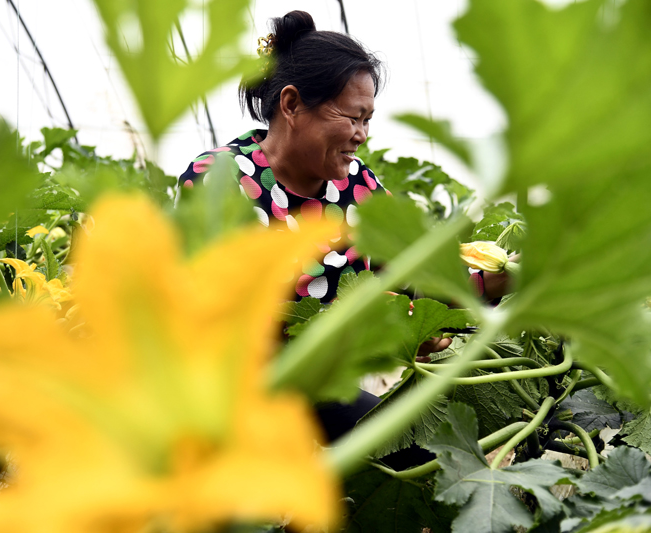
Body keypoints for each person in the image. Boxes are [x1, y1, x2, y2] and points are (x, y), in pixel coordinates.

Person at [178, 11, 510, 461]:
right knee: (409, 457)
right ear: (292, 105)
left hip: (324, 382)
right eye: (353, 117)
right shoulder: (218, 182)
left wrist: (496, 280)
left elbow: (416, 272)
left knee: (424, 456)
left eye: (368, 120)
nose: (361, 136)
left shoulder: (359, 185)